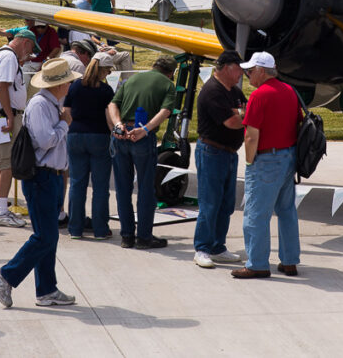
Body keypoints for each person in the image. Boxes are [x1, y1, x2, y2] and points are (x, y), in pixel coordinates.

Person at [0, 58, 80, 309]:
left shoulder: (51, 103)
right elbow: (45, 140)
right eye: (68, 81)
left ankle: (46, 290)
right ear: (59, 85)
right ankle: (6, 276)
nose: (70, 85)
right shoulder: (42, 105)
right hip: (41, 177)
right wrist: (65, 123)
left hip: (48, 177)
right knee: (45, 237)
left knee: (48, 237)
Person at [231, 51, 300, 279]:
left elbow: (251, 135)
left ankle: (258, 264)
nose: (248, 75)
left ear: (262, 71)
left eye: (250, 71)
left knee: (255, 214)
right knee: (287, 211)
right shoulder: (289, 90)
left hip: (266, 160)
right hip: (288, 157)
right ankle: (289, 261)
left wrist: (250, 162)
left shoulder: (260, 96)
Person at [107, 56, 177, 249]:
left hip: (120, 136)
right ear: (171, 73)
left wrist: (118, 125)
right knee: (146, 189)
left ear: (154, 66)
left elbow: (113, 104)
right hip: (142, 139)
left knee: (123, 188)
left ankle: (127, 236)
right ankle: (144, 237)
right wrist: (145, 129)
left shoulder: (132, 79)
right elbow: (165, 111)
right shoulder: (168, 85)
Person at [193, 50, 247, 269]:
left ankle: (218, 247)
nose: (241, 74)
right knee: (210, 203)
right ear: (227, 68)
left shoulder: (233, 91)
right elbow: (233, 122)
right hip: (212, 153)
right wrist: (239, 114)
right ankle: (202, 249)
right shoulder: (212, 91)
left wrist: (238, 113)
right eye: (239, 69)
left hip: (229, 154)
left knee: (225, 204)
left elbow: (243, 111)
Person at [0, 27, 40, 227]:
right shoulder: (9, 58)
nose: (29, 53)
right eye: (31, 47)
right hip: (5, 117)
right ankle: (1, 211)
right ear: (25, 42)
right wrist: (10, 116)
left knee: (0, 163)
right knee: (7, 163)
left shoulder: (1, 54)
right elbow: (2, 87)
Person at [63, 52, 115, 239]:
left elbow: (66, 111)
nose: (108, 74)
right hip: (99, 137)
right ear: (102, 70)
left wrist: (72, 126)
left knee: (77, 184)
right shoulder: (106, 91)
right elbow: (110, 116)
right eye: (108, 71)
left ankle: (75, 228)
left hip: (76, 135)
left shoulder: (75, 86)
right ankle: (100, 229)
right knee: (100, 186)